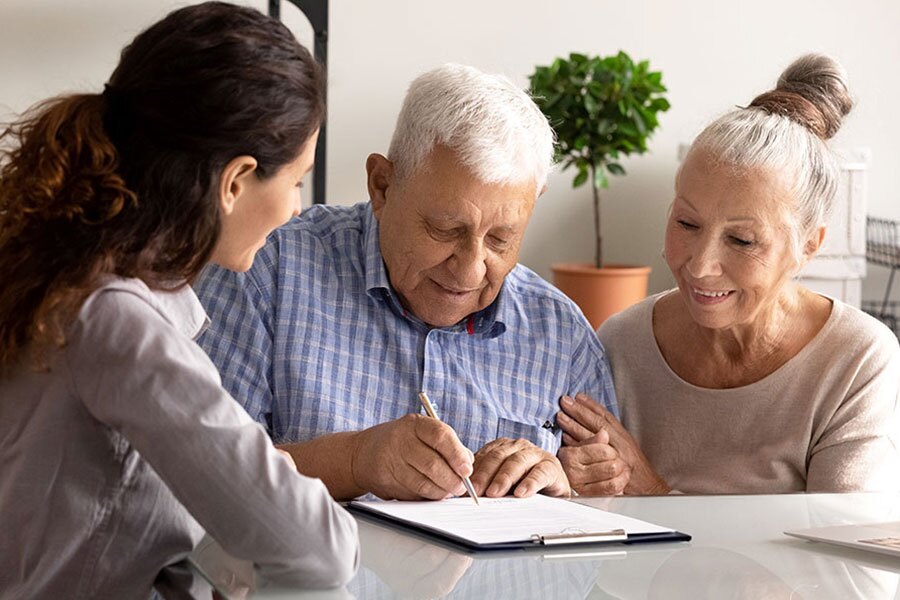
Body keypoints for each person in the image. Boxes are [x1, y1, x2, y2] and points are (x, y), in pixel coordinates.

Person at [0, 3, 359, 598]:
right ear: (235, 180)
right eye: (295, 180)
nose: (297, 207)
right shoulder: (118, 324)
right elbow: (317, 548)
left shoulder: (63, 273)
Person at [194, 63, 619, 501]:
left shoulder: (562, 336)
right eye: (445, 229)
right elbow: (194, 475)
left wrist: (567, 488)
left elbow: (613, 532)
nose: (471, 269)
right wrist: (355, 461)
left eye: (500, 238)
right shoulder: (266, 272)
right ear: (382, 186)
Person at [555, 53, 900, 495]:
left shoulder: (855, 359)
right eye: (686, 224)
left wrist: (653, 493)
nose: (700, 266)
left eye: (742, 241)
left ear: (808, 246)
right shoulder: (620, 344)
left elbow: (834, 553)